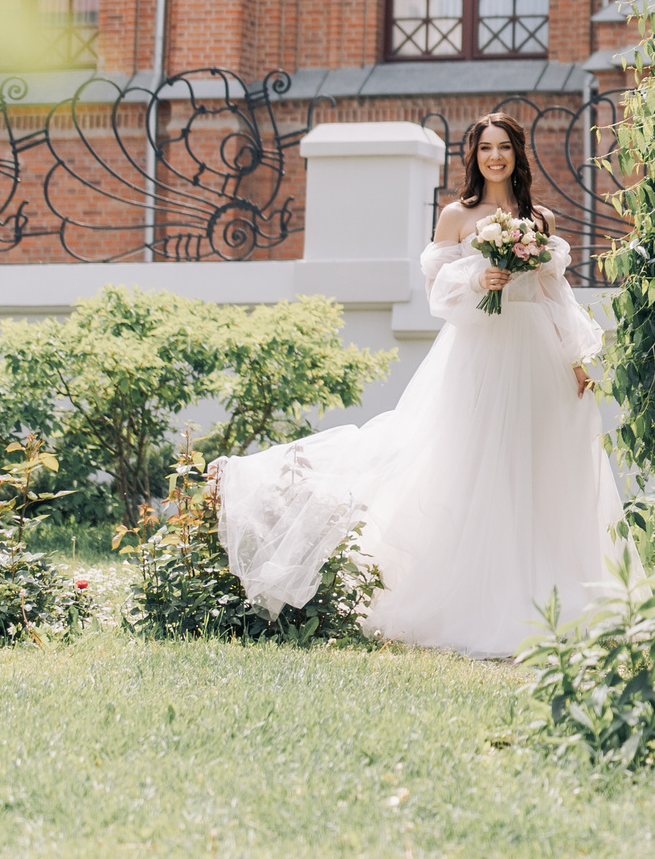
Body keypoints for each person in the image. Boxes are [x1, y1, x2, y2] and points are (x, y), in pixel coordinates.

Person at [212, 113, 621, 655]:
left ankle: (543, 590)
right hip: (480, 351)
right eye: (485, 148)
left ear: (518, 154)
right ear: (474, 157)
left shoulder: (539, 219)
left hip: (537, 354)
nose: (495, 157)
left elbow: (554, 294)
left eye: (503, 147)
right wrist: (480, 278)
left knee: (537, 466)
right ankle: (481, 595)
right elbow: (437, 294)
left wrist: (576, 358)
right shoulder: (456, 216)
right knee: (474, 462)